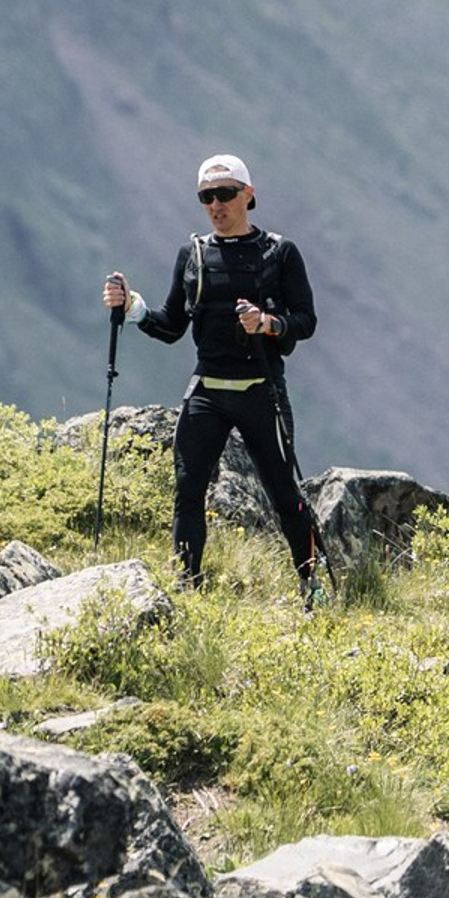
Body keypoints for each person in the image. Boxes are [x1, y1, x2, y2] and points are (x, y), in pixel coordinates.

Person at [103, 154, 322, 599]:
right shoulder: (195, 255)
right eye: (206, 197)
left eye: (224, 194)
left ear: (248, 195)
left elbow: (306, 320)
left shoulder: (280, 252)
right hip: (207, 391)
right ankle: (188, 587)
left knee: (284, 494)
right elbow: (171, 326)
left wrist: (268, 324)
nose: (215, 205)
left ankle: (311, 586)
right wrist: (132, 308)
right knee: (188, 493)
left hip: (261, 390)